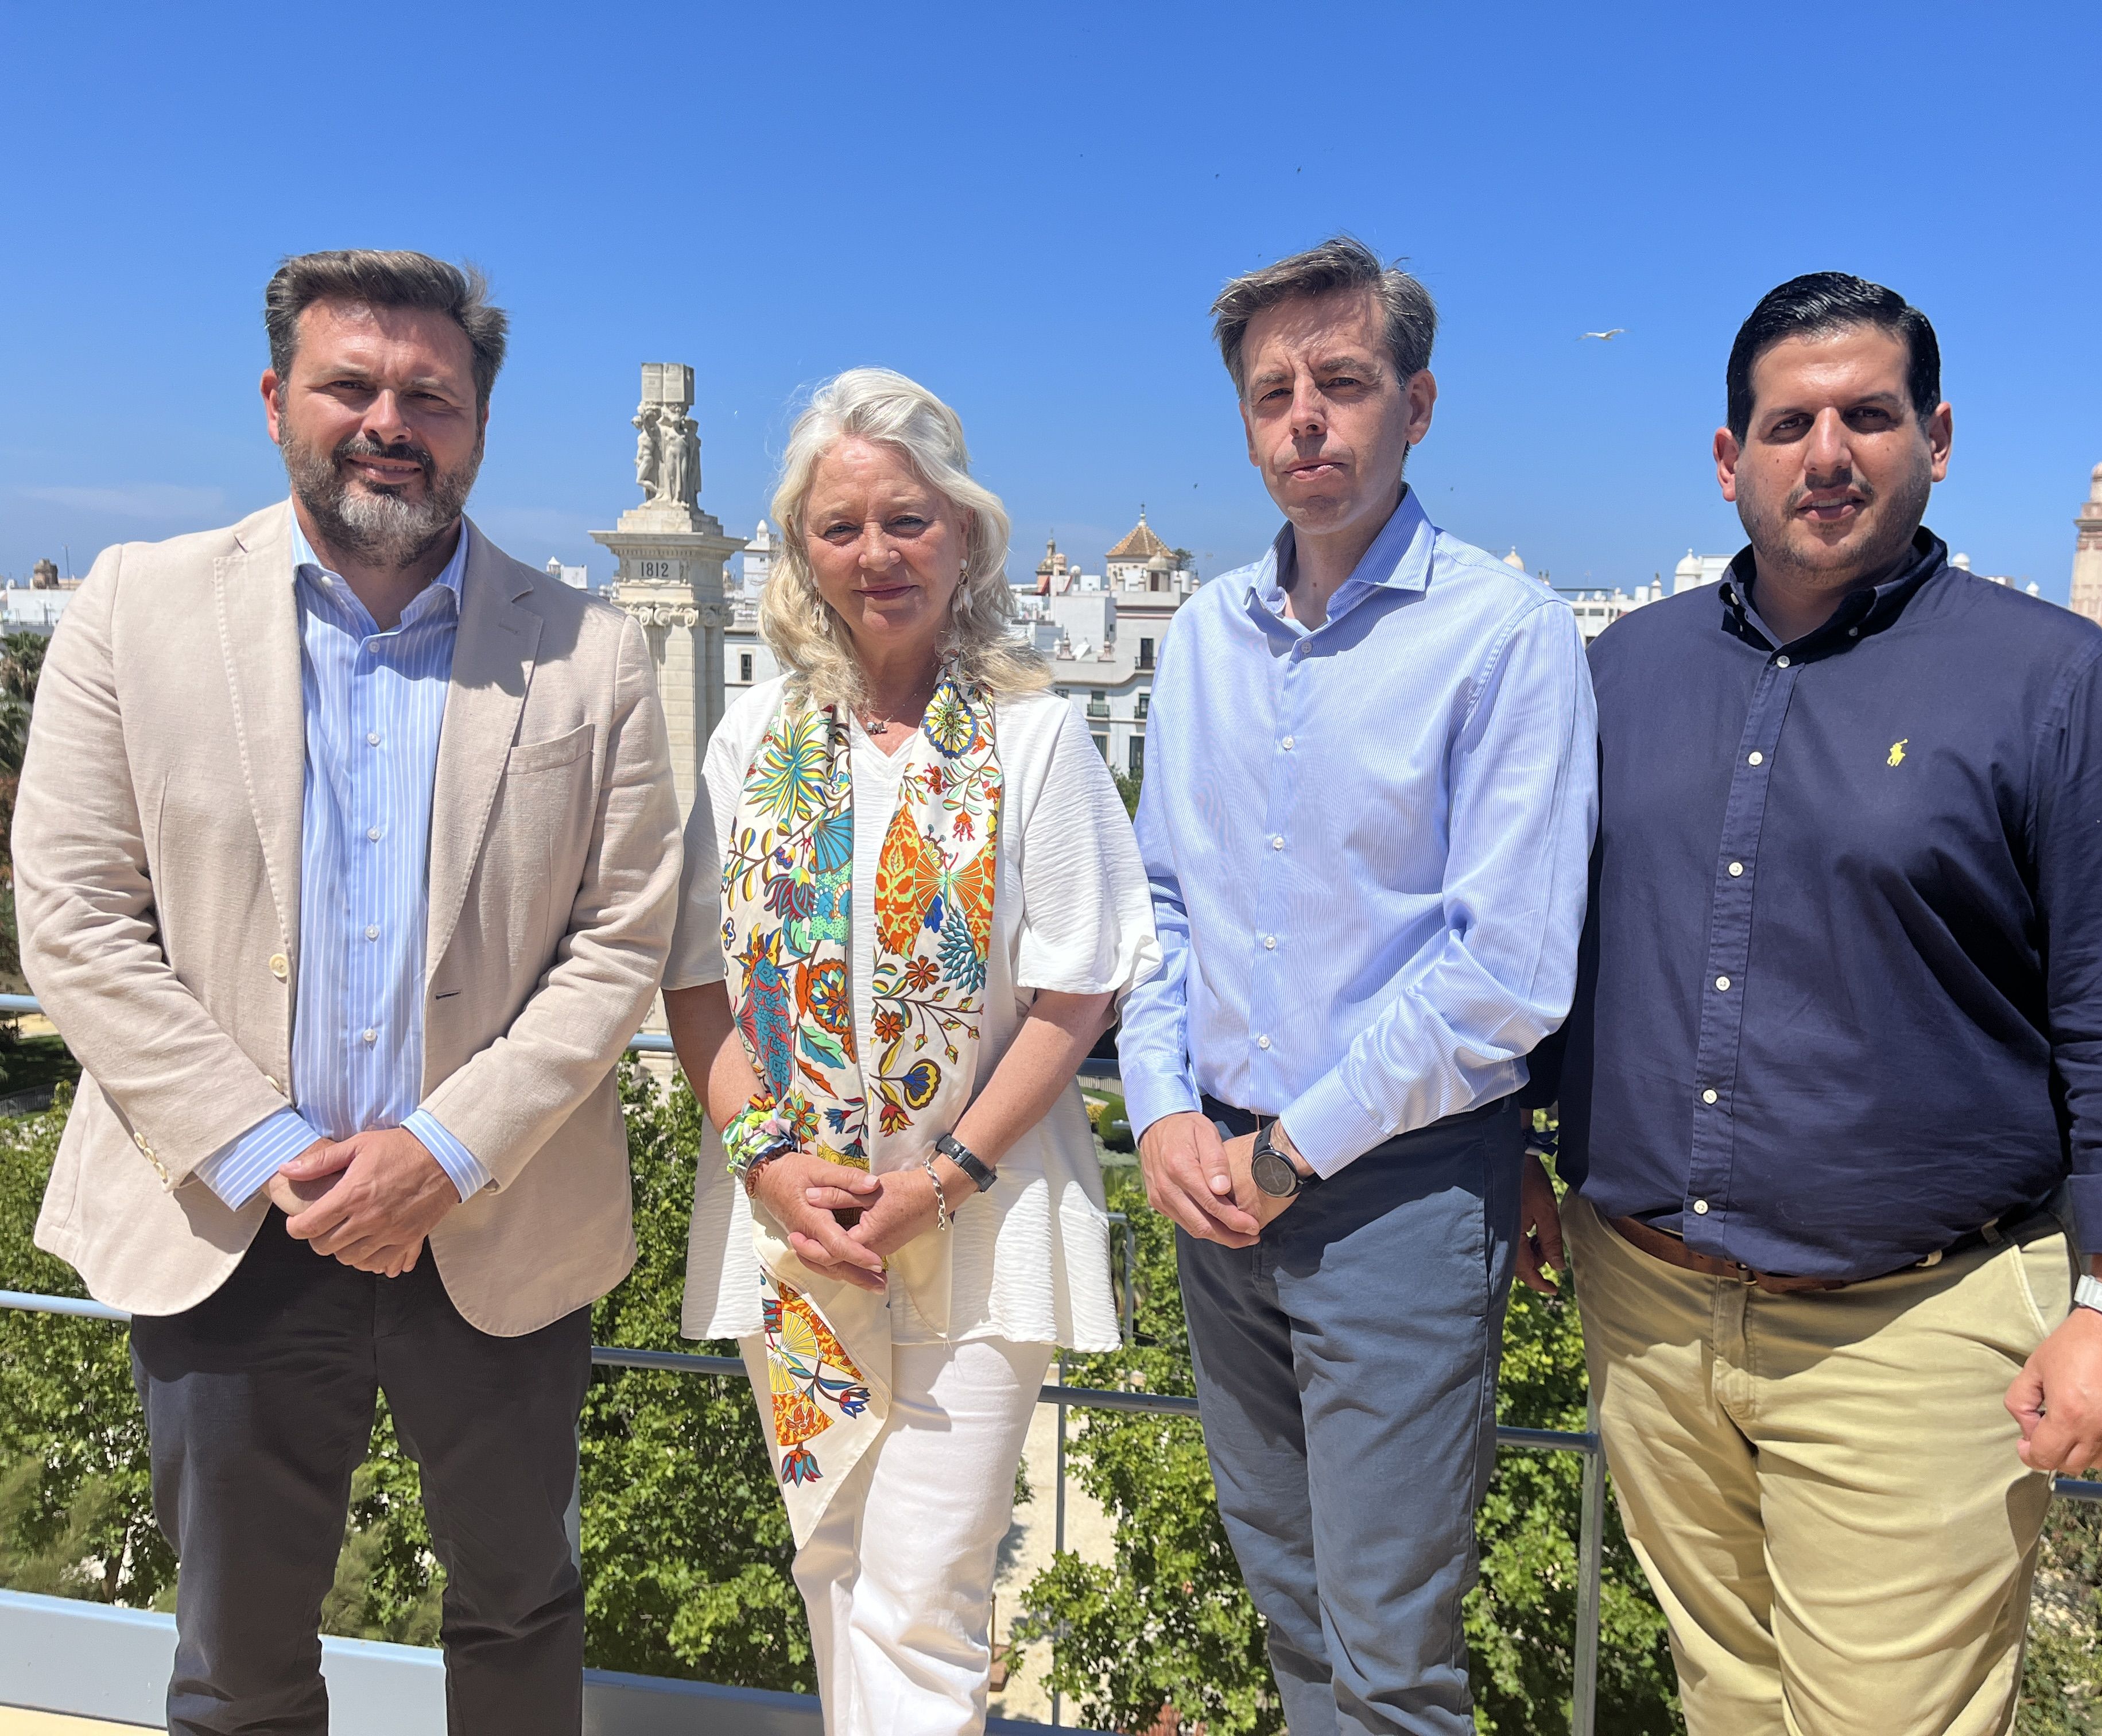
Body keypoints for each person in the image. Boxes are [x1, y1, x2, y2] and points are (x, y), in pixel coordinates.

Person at [1528, 272, 2102, 1735]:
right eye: (1789, 423)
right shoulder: (1622, 670)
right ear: (1729, 461)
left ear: (1939, 438)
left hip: (1914, 1334)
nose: (1830, 452)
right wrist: (1517, 1149)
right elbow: (1551, 942)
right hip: (1646, 1303)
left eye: (1870, 414)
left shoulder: (2052, 681)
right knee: (1723, 1691)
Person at [14, 250, 682, 1733]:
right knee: (239, 1652)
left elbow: (622, 936)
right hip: (232, 1222)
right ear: (276, 402)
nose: (390, 420)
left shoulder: (594, 651)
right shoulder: (135, 608)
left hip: (492, 1222)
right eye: (351, 386)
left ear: (480, 423)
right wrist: (274, 1155)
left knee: (519, 1612)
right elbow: (72, 919)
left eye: (428, 395)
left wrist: (441, 1152)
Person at [1116, 237, 1597, 1734]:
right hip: (1219, 1185)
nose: (1307, 420)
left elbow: (1505, 978)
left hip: (1397, 1186)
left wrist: (1288, 1149)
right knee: (1292, 1611)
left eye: (1342, 382)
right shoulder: (1201, 638)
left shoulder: (1504, 640)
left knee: (1391, 1649)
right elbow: (1162, 908)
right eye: (1276, 394)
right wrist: (1157, 1115)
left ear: (1419, 403)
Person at [662, 367, 1158, 1735]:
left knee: (922, 1595)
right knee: (831, 1560)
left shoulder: (1034, 737)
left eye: (906, 520)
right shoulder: (754, 738)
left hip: (979, 1230)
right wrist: (769, 1166)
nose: (874, 554)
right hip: (802, 1237)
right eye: (840, 526)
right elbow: (691, 976)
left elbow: (1075, 997)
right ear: (802, 552)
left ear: (965, 535)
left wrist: (937, 1177)